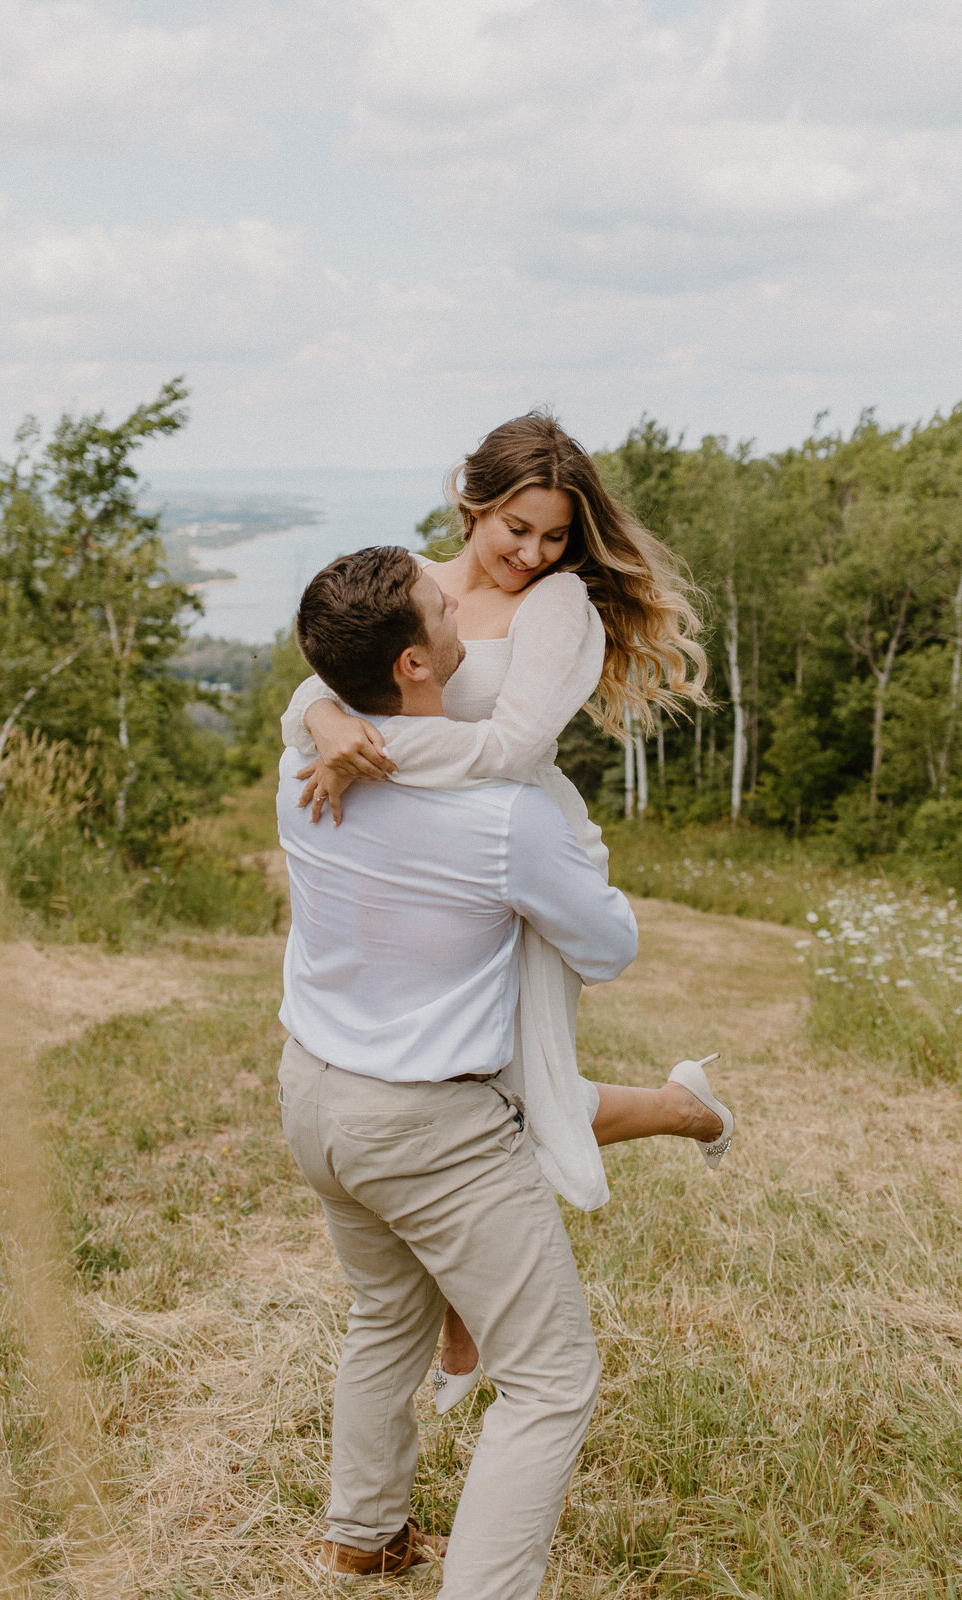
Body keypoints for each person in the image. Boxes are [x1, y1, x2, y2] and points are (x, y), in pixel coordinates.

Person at [281, 411, 733, 1405]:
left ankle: (459, 1341)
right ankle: (675, 1108)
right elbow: (323, 688)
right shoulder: (408, 586)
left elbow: (508, 751)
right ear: (469, 500)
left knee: (495, 1092)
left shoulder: (559, 606)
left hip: (521, 852)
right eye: (515, 528)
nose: (532, 554)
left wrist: (369, 749)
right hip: (415, 863)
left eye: (554, 536)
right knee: (465, 1090)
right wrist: (322, 719)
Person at [276, 544, 639, 1599]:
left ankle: (364, 1535)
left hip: (314, 1099)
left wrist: (319, 715)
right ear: (414, 665)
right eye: (445, 608)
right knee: (550, 1379)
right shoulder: (502, 819)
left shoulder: (304, 771)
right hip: (431, 1131)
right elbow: (606, 948)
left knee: (385, 1314)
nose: (466, 612)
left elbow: (318, 716)